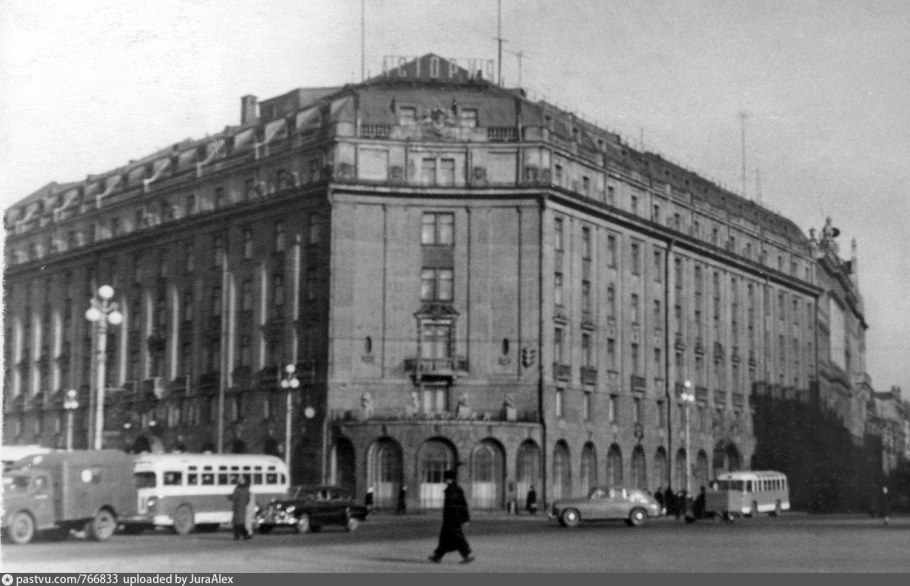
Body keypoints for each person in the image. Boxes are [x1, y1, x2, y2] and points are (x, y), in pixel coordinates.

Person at [428, 469, 474, 564]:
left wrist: (460, 518)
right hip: (452, 518)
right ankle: (438, 556)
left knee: (457, 537)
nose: (445, 481)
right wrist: (465, 518)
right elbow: (463, 504)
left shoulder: (451, 490)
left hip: (451, 519)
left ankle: (467, 555)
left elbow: (454, 506)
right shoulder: (457, 489)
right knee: (444, 538)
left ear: (450, 479)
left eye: (446, 479)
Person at [229, 476, 252, 540]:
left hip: (237, 507)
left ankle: (237, 536)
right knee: (241, 522)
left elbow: (233, 497)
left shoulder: (237, 489)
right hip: (243, 507)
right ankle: (245, 535)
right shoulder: (246, 489)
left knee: (236, 523)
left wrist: (228, 496)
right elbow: (248, 500)